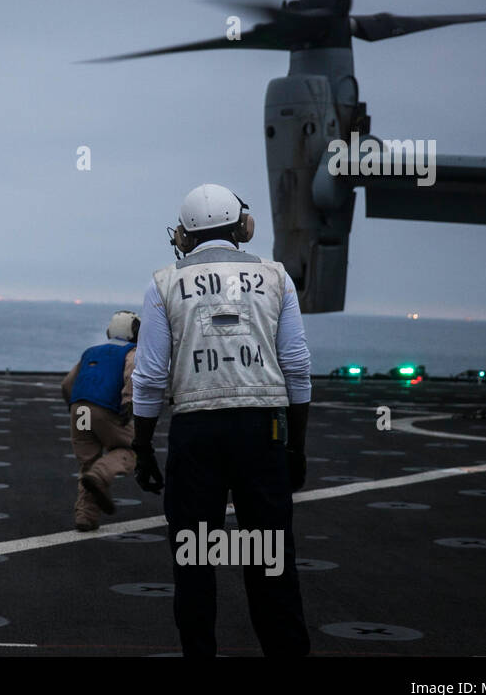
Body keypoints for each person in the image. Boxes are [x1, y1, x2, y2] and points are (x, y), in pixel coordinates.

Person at [131, 183, 312, 657]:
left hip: (195, 434)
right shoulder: (276, 278)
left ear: (185, 235)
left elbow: (149, 377)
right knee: (272, 560)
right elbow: (295, 365)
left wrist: (143, 447)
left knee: (193, 562)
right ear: (241, 227)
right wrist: (296, 446)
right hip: (264, 429)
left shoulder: (163, 283)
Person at [63, 310, 139, 532]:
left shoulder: (90, 352)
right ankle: (101, 475)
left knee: (87, 463)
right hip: (104, 409)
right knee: (131, 450)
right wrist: (129, 402)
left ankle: (85, 517)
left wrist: (76, 408)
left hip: (80, 410)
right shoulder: (131, 352)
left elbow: (67, 384)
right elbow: (133, 376)